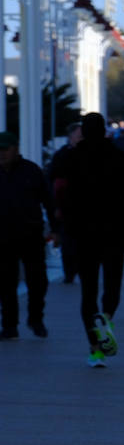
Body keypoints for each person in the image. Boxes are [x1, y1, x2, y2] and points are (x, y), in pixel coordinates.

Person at [49, 112, 124, 367]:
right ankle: (106, 317)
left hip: (82, 233)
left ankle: (95, 348)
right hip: (113, 231)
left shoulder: (70, 157)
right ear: (105, 131)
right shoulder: (118, 156)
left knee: (88, 291)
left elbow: (55, 180)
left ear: (84, 132)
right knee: (113, 285)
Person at [0, 130, 56, 339]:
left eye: (5, 150)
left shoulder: (31, 172)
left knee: (38, 281)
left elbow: (48, 201)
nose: (2, 154)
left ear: (15, 149)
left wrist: (55, 229)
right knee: (6, 282)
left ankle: (36, 319)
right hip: (3, 237)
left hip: (30, 235)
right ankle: (9, 325)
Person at [48, 122, 83, 283]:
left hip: (82, 207)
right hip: (66, 206)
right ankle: (70, 271)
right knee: (68, 242)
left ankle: (79, 269)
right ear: (71, 137)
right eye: (78, 135)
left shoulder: (88, 154)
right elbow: (53, 180)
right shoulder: (61, 155)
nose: (81, 138)